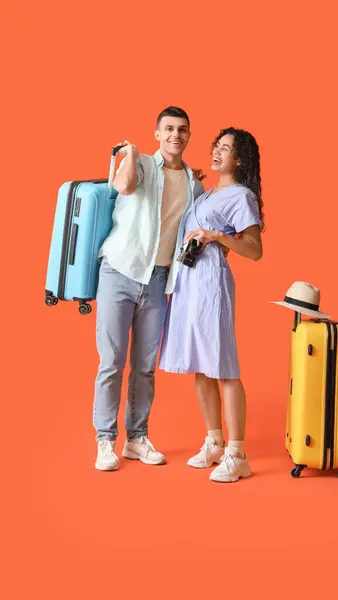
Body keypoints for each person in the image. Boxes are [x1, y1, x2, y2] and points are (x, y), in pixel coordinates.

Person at [93, 106, 205, 471]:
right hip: (119, 271)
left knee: (144, 367)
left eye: (183, 130)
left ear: (189, 136)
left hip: (158, 280)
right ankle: (105, 441)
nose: (176, 135)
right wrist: (133, 154)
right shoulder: (140, 165)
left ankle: (136, 439)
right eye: (169, 129)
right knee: (112, 363)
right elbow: (123, 186)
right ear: (158, 134)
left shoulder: (194, 183)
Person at [159, 127, 264, 483]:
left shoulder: (241, 196)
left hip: (212, 285)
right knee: (200, 366)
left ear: (240, 158)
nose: (217, 152)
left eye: (226, 149)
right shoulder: (205, 194)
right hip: (187, 284)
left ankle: (237, 453)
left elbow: (255, 250)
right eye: (216, 146)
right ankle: (214, 442)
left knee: (223, 366)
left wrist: (218, 236)